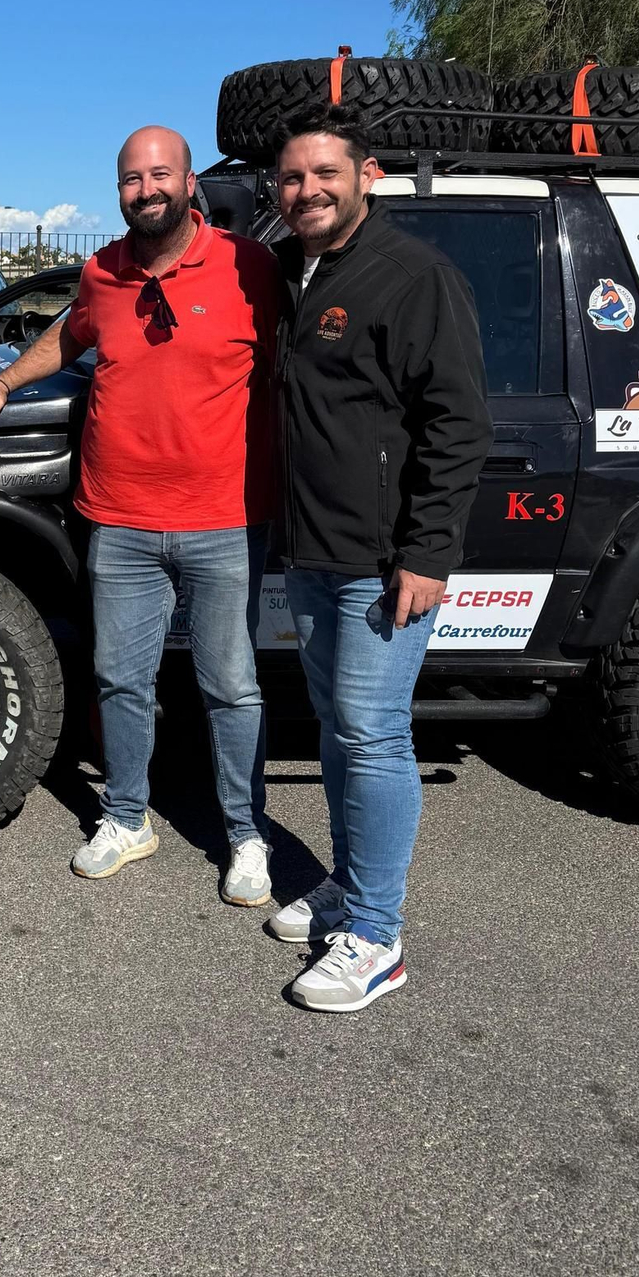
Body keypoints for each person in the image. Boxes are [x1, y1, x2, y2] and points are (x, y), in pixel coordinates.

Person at [0, 127, 280, 895]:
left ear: (189, 179)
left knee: (230, 685)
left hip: (226, 519)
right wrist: (6, 381)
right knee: (120, 680)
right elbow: (68, 336)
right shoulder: (104, 271)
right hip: (123, 517)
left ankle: (246, 835)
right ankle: (128, 817)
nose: (146, 190)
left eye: (160, 174)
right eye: (132, 179)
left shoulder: (251, 266)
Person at [266, 103, 491, 1011]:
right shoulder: (293, 269)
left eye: (326, 173)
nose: (307, 189)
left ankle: (377, 934)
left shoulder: (413, 276)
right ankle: (349, 886)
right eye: (291, 177)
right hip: (314, 552)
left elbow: (458, 424)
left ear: (369, 175)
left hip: (382, 558)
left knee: (373, 731)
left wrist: (427, 552)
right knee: (336, 727)